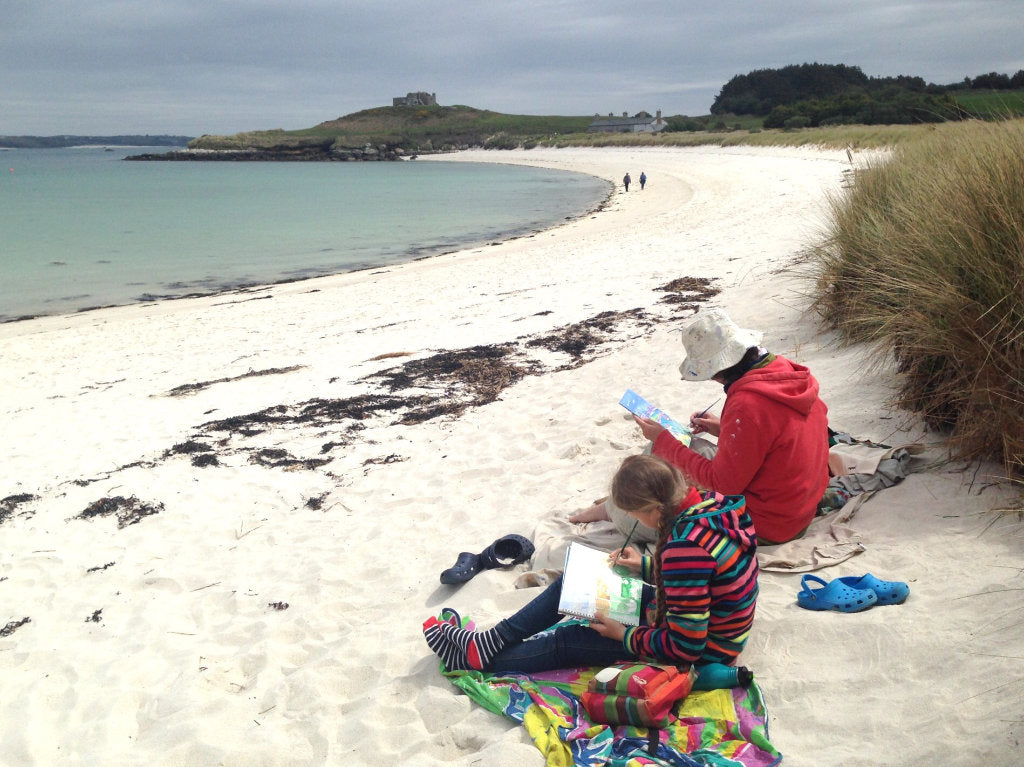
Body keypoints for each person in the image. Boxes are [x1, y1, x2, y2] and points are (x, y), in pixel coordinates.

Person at [422, 454, 759, 673]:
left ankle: (475, 659)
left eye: (633, 515)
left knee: (567, 641)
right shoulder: (712, 506)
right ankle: (490, 641)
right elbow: (703, 578)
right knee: (573, 583)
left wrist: (624, 635)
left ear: (652, 510)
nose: (634, 522)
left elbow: (687, 646)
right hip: (702, 623)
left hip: (705, 653)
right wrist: (644, 567)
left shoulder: (685, 548)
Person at [572, 309, 829, 545]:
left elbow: (724, 485)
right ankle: (620, 502)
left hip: (766, 525)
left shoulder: (747, 405)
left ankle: (614, 509)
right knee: (680, 447)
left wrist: (664, 441)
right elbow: (776, 434)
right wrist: (723, 427)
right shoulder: (785, 372)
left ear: (719, 370)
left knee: (634, 512)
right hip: (796, 508)